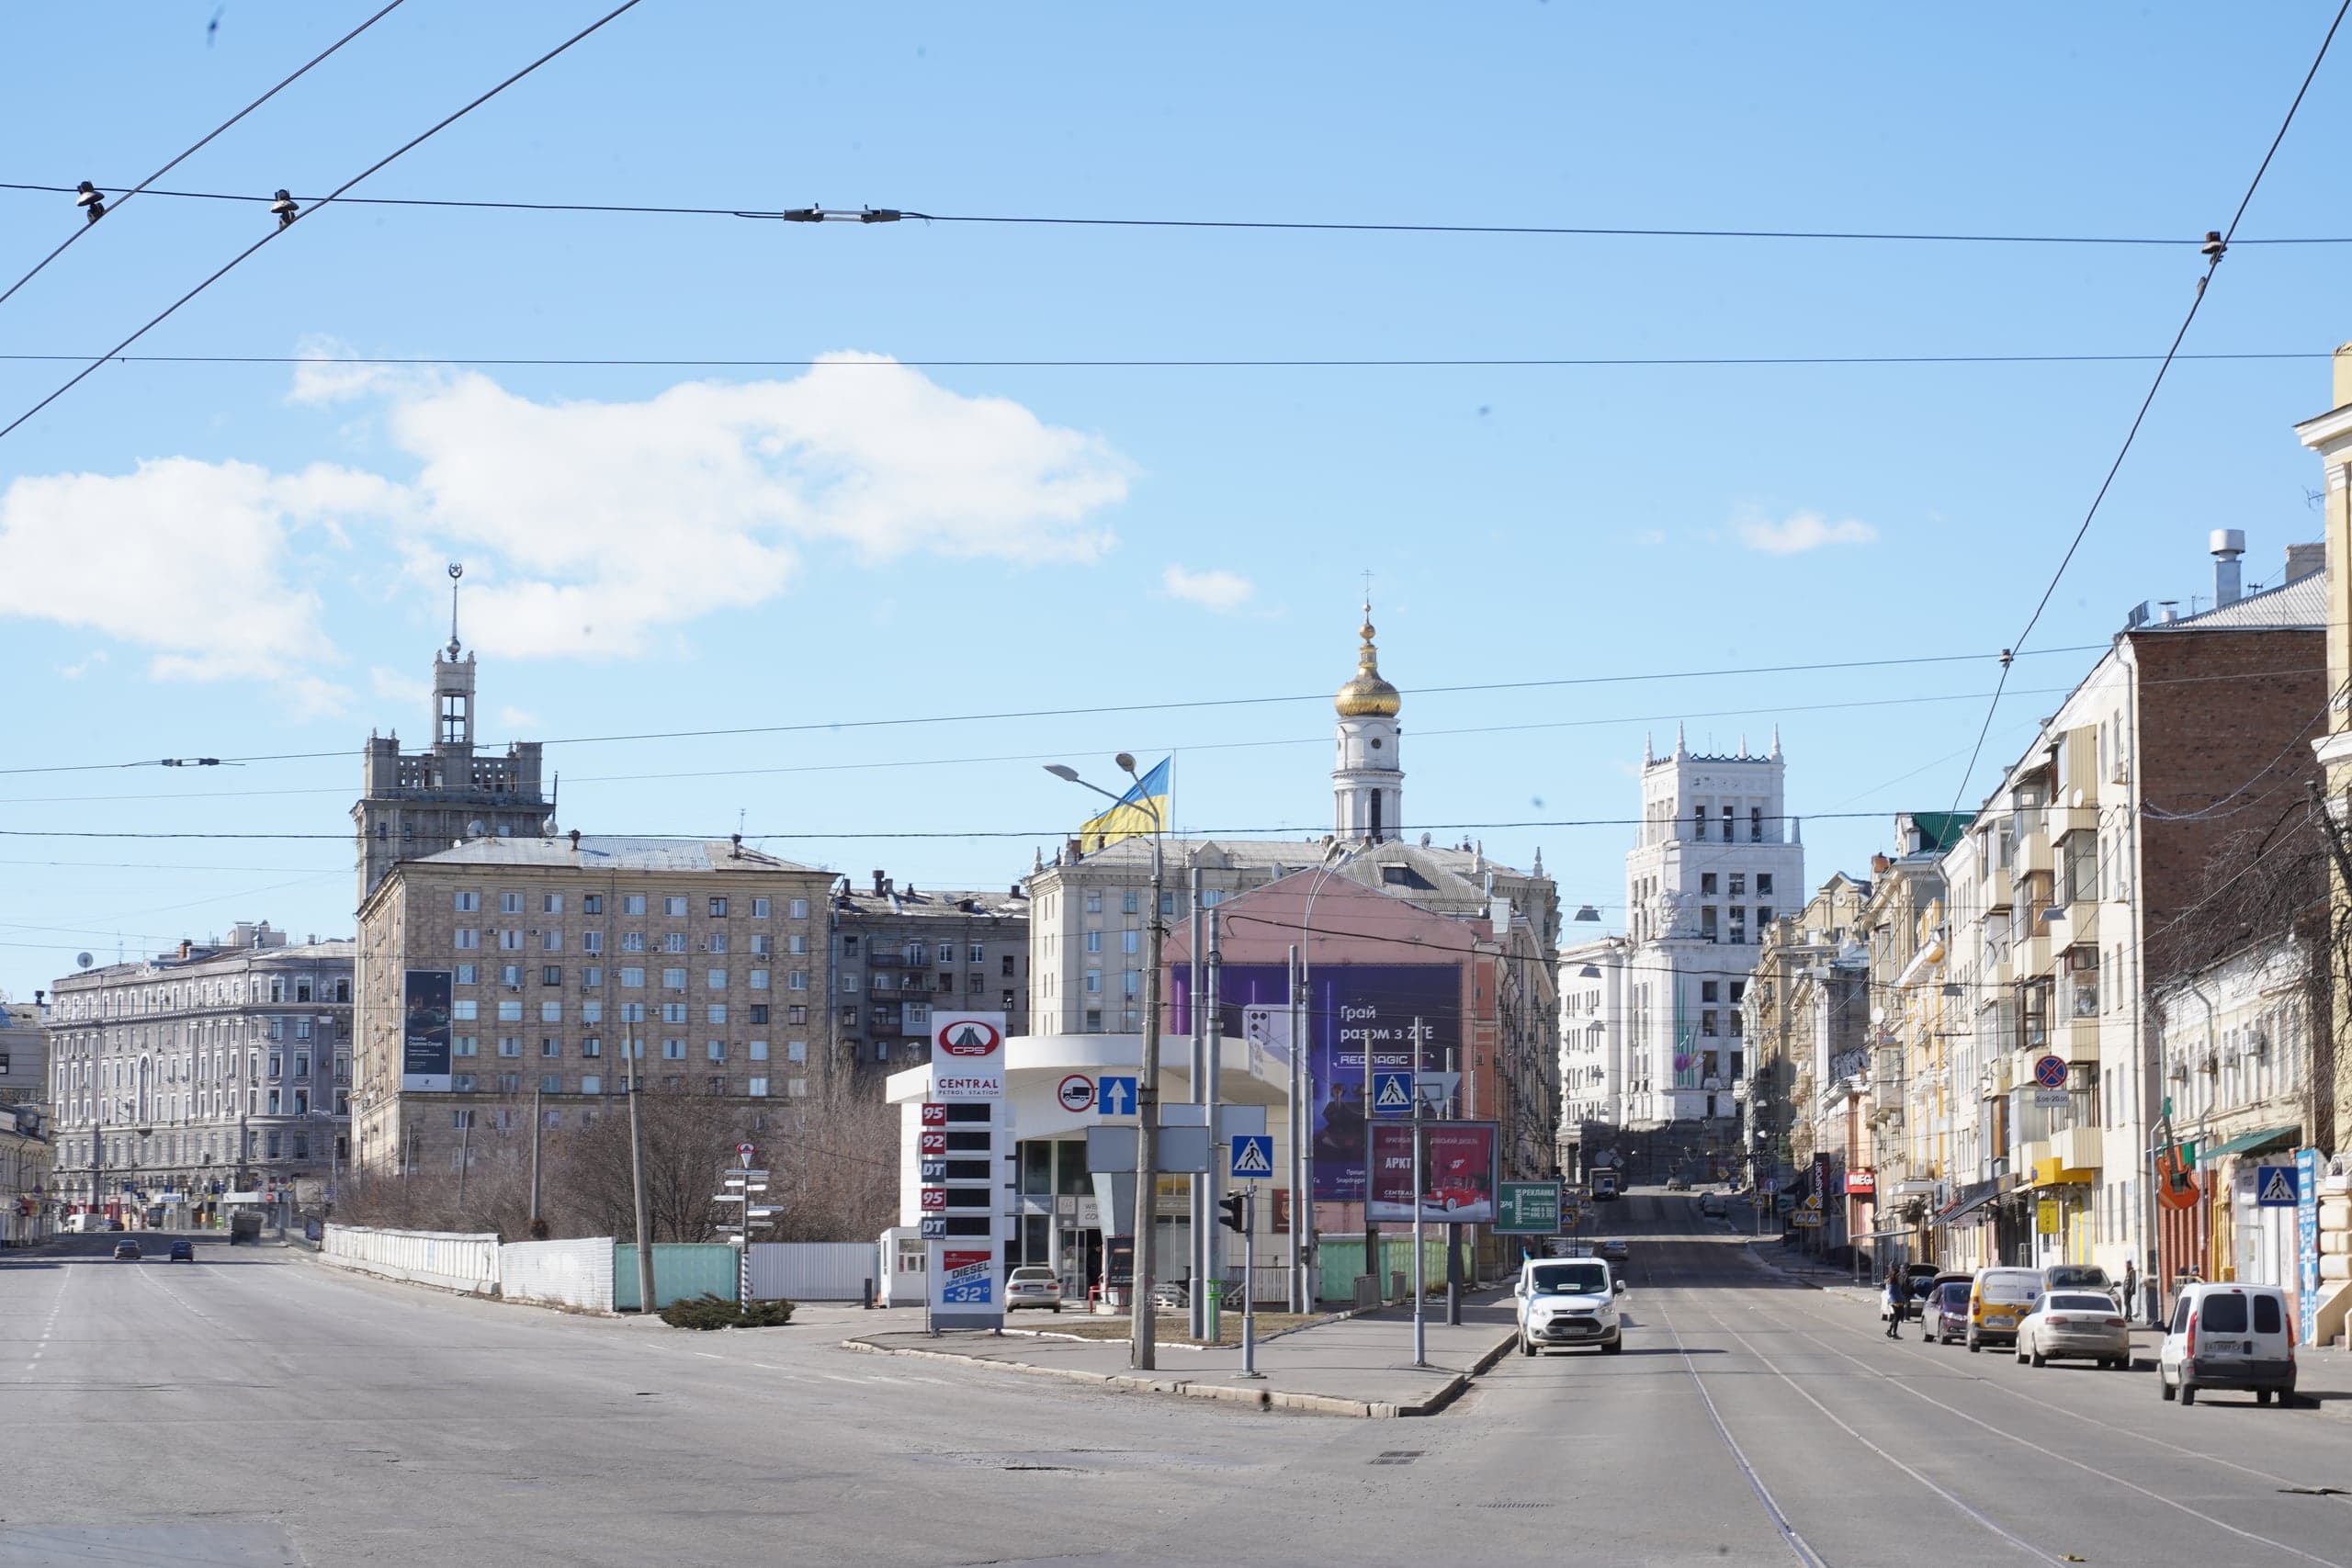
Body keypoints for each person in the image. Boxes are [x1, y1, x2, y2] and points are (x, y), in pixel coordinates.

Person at [1883, 1265, 1904, 1338]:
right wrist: (1895, 1302)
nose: (1900, 1276)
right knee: (1896, 1317)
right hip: (1895, 1302)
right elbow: (1891, 1293)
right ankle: (1894, 1333)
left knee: (1897, 1317)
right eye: (1899, 1274)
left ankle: (1890, 1331)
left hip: (1899, 1301)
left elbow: (1899, 1291)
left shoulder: (1896, 1281)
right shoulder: (1892, 1282)